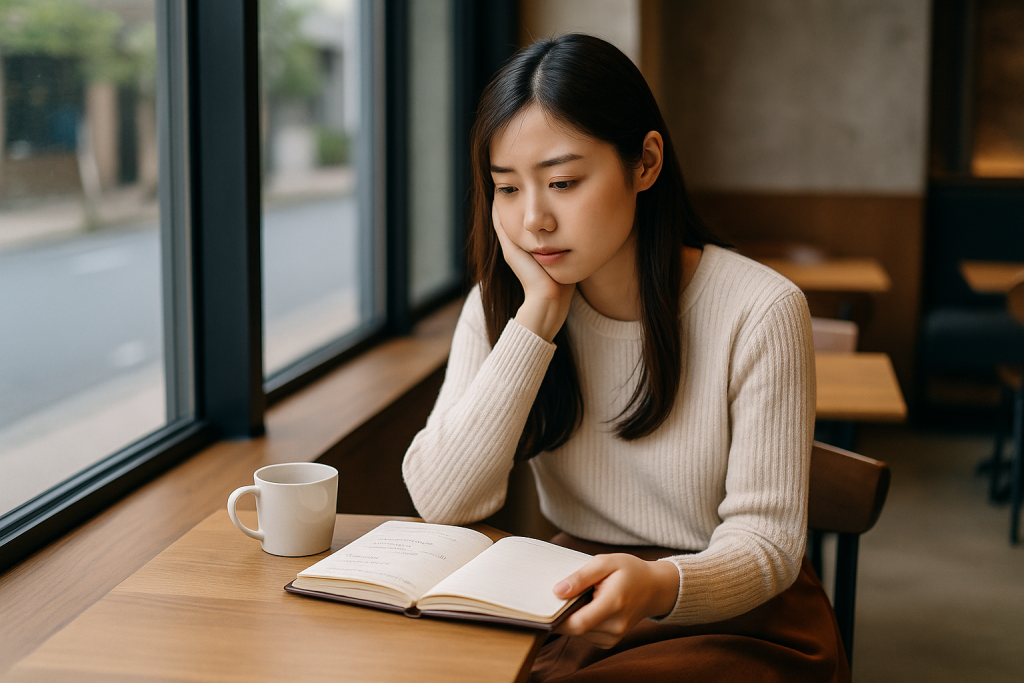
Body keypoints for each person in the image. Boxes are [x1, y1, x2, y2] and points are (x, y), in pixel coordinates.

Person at [402, 33, 848, 682]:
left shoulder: (761, 309)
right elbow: (443, 501)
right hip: (578, 598)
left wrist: (659, 584)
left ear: (645, 163)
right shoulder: (505, 304)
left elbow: (768, 545)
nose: (534, 220)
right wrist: (538, 319)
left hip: (738, 617)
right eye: (507, 188)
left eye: (562, 182)